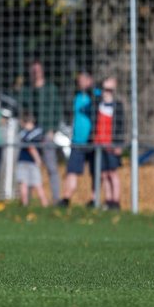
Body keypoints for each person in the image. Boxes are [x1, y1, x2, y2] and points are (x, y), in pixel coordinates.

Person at [18, 59, 63, 203]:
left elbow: (58, 110)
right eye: (33, 70)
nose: (36, 73)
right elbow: (22, 110)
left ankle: (55, 199)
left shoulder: (51, 89)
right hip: (32, 137)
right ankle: (28, 200)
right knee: (30, 166)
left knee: (51, 167)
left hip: (46, 134)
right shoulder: (27, 90)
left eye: (38, 70)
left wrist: (53, 129)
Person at [60, 70, 96, 206]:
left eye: (83, 80)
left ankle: (94, 199)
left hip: (92, 140)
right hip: (77, 140)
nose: (80, 83)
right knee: (72, 170)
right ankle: (66, 198)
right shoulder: (76, 97)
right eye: (79, 80)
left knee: (95, 171)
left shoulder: (95, 96)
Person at [94, 76, 126, 209]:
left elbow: (121, 126)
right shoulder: (98, 105)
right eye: (105, 89)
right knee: (104, 173)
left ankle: (116, 201)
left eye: (110, 89)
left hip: (111, 144)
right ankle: (108, 200)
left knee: (113, 173)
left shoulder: (117, 106)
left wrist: (119, 143)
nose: (107, 92)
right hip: (99, 144)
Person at [15, 112, 49, 207]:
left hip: (22, 161)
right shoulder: (36, 132)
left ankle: (25, 204)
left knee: (23, 183)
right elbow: (31, 147)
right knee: (37, 184)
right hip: (32, 162)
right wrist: (38, 159)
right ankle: (44, 204)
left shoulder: (23, 133)